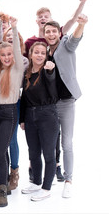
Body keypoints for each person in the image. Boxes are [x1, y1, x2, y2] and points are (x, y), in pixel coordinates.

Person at [44, 14, 88, 198]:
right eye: (48, 32)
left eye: (54, 31)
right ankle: (49, 176)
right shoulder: (44, 50)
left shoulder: (65, 44)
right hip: (50, 103)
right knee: (50, 142)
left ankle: (68, 180)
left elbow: (75, 39)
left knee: (66, 143)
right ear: (44, 34)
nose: (51, 34)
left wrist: (81, 24)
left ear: (59, 33)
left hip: (67, 101)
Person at [0, 16, 25, 207]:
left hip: (10, 112)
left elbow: (17, 50)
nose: (6, 58)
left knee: (2, 149)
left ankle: (3, 188)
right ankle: (2, 184)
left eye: (8, 55)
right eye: (2, 55)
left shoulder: (18, 68)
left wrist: (14, 26)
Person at [19, 42, 59, 201]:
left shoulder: (48, 70)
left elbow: (54, 95)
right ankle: (36, 182)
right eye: (37, 52)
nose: (40, 55)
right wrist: (22, 119)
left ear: (46, 55)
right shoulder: (27, 73)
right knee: (33, 153)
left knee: (49, 154)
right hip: (30, 116)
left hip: (47, 116)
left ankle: (46, 188)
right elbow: (24, 99)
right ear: (31, 54)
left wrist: (50, 73)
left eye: (43, 53)